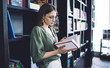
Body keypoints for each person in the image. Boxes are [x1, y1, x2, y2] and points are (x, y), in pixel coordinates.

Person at [30, 3, 73, 68]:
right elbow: (38, 55)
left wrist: (60, 44)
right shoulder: (37, 30)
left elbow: (51, 47)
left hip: (58, 62)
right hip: (48, 64)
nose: (54, 20)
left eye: (55, 17)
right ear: (43, 16)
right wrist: (58, 51)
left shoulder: (52, 29)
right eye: (50, 17)